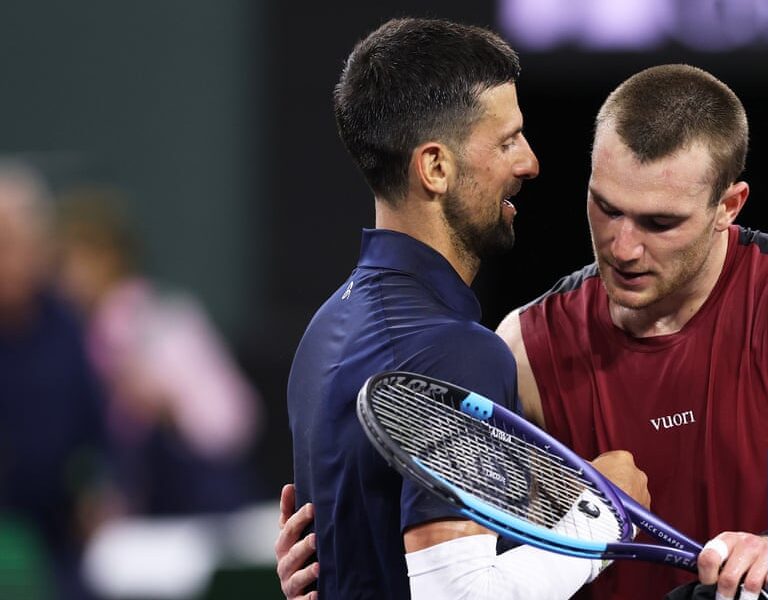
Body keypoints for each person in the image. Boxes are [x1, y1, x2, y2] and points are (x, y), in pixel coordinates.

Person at [280, 62, 768, 599]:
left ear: (728, 207)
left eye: (659, 222)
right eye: (606, 207)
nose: (622, 247)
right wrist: (347, 570)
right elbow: (472, 578)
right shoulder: (525, 349)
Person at [284, 17, 649, 600]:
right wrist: (604, 515)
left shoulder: (326, 330)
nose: (529, 162)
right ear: (435, 168)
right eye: (507, 142)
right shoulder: (457, 354)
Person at [56, 187, 261, 515]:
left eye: (71, 260)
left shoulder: (156, 320)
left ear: (110, 256)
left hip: (189, 509)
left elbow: (232, 421)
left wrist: (169, 408)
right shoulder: (80, 332)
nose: (64, 277)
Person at [0, 161, 111, 600]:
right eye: (7, 243)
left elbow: (95, 434)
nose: (19, 259)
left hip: (59, 545)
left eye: (29, 243)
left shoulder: (64, 325)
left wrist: (97, 489)